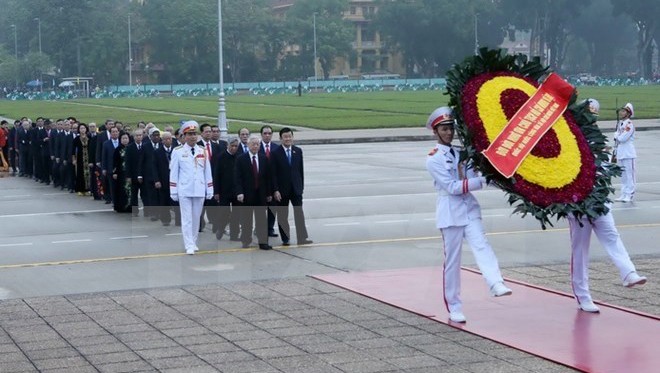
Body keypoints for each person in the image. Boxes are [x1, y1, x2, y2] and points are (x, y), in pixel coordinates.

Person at [425, 106, 512, 323]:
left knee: (482, 244)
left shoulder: (462, 152)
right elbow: (453, 187)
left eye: (450, 128)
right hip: (450, 212)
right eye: (444, 129)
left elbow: (475, 175)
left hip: (469, 208)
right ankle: (454, 305)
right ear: (435, 132)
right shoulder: (434, 158)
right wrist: (481, 181)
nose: (448, 133)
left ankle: (495, 282)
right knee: (453, 262)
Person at [568, 99, 647, 313]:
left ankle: (628, 273)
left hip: (599, 199)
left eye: (594, 113)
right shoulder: (570, 138)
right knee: (580, 250)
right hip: (578, 203)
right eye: (589, 113)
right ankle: (583, 295)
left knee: (612, 235)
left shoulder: (597, 138)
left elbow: (603, 167)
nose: (592, 117)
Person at [170, 121, 213, 255]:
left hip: (199, 189)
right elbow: (173, 172)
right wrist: (173, 190)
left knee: (196, 218)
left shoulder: (203, 151)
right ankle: (188, 244)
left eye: (194, 134)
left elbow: (207, 171)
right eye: (189, 134)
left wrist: (209, 188)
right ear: (184, 136)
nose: (193, 137)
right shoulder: (178, 152)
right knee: (187, 219)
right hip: (184, 189)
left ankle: (193, 241)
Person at [272, 127, 313, 246]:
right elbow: (273, 174)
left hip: (296, 189)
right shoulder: (275, 153)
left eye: (290, 136)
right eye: (285, 137)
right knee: (282, 215)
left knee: (299, 213)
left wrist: (301, 187)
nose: (288, 139)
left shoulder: (298, 151)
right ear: (281, 138)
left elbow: (300, 171)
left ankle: (302, 238)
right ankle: (285, 238)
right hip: (282, 190)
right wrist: (275, 190)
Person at [235, 135, 272, 250]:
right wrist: (239, 192)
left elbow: (267, 178)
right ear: (248, 145)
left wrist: (269, 193)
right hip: (247, 195)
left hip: (260, 195)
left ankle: (263, 242)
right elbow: (237, 178)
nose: (255, 146)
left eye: (257, 144)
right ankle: (246, 240)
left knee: (261, 220)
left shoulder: (263, 158)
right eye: (253, 144)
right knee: (247, 220)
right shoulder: (241, 159)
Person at [213, 137, 240, 241]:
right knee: (224, 212)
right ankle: (221, 227)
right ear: (227, 146)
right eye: (232, 146)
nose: (234, 148)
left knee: (236, 214)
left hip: (236, 191)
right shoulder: (221, 157)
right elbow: (216, 175)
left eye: (236, 146)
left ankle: (234, 235)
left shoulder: (239, 156)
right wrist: (216, 191)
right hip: (224, 191)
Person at [259, 125, 280, 237]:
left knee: (273, 208)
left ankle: (270, 228)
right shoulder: (257, 147)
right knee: (260, 208)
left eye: (269, 133)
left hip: (273, 183)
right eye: (265, 133)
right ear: (261, 135)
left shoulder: (277, 148)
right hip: (261, 183)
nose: (267, 135)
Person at [614, 103, 636, 202]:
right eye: (621, 111)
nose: (621, 113)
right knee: (623, 175)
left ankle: (629, 194)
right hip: (621, 152)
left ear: (628, 113)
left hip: (628, 153)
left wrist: (616, 136)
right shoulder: (621, 124)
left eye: (624, 111)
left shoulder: (629, 125)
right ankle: (623, 194)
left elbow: (623, 138)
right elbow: (618, 141)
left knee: (629, 175)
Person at [112, 132, 133, 213]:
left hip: (130, 173)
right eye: (123, 138)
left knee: (130, 190)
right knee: (121, 190)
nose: (125, 140)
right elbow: (115, 162)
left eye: (126, 138)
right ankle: (121, 207)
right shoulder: (118, 149)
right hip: (121, 173)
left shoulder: (131, 148)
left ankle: (130, 206)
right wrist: (115, 172)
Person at [71, 123, 92, 195]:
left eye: (84, 128)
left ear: (86, 129)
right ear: (79, 130)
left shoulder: (90, 137)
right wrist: (74, 159)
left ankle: (88, 189)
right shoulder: (76, 139)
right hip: (80, 159)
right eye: (81, 128)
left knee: (88, 174)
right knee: (80, 174)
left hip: (88, 158)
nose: (82, 130)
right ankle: (80, 189)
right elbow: (73, 150)